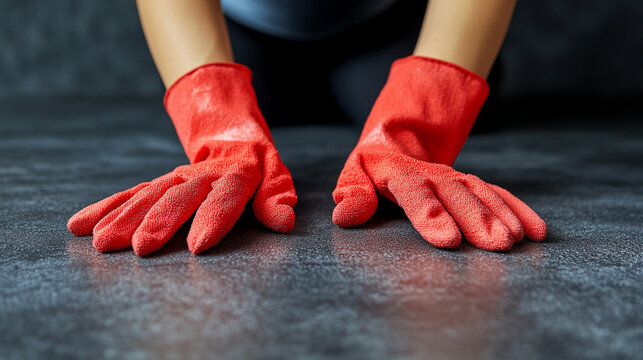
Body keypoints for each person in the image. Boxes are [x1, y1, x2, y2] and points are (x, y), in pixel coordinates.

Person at [67, 0, 547, 256]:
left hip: (391, 25)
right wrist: (215, 115)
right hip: (239, 30)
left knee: (367, 91)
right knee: (267, 95)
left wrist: (420, 118)